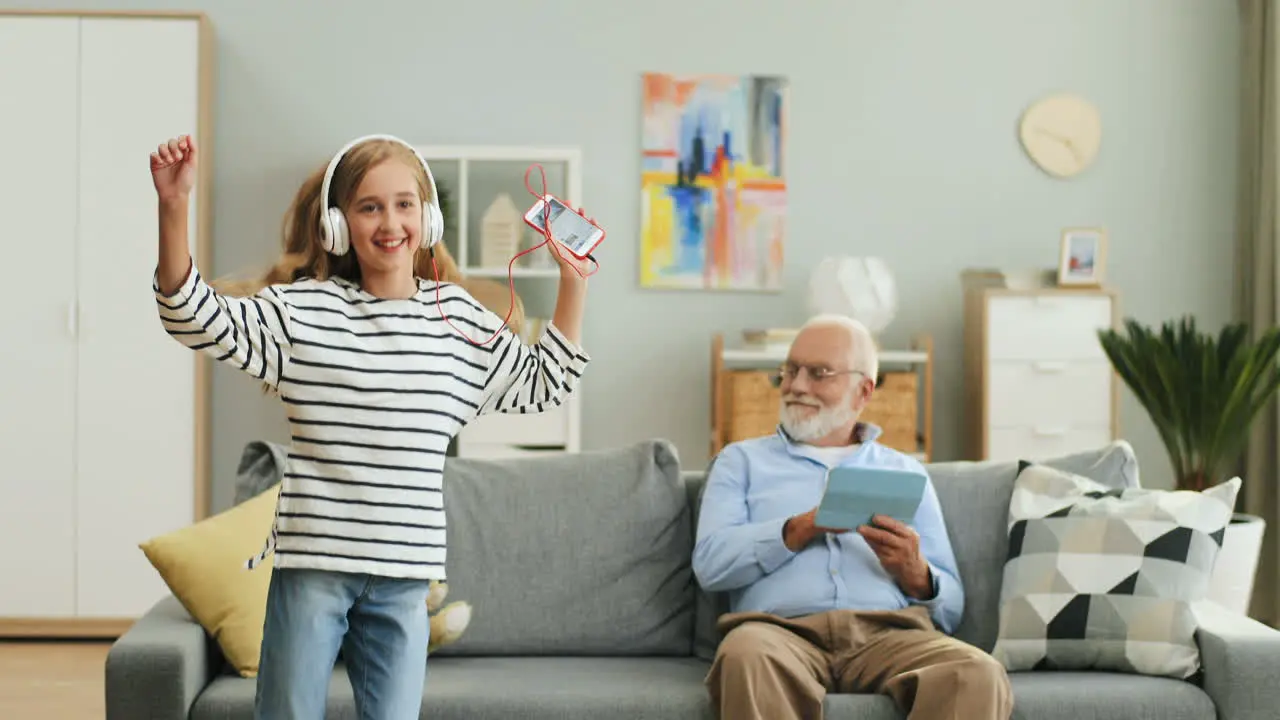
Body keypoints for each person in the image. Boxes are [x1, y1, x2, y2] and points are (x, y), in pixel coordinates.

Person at [148, 133, 592, 720]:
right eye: (369, 206)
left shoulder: (456, 319)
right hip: (315, 569)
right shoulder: (304, 310)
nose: (390, 222)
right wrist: (173, 208)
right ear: (338, 225)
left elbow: (546, 381)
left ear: (428, 218)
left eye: (405, 203)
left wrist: (574, 281)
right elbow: (192, 316)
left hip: (406, 577)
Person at [692, 314, 1012, 720]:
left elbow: (951, 607)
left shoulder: (905, 471)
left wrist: (916, 573)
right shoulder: (740, 461)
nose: (796, 385)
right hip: (778, 633)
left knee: (977, 672)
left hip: (890, 634)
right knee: (745, 655)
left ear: (863, 391)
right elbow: (711, 567)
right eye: (790, 371)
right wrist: (800, 528)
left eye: (819, 373)